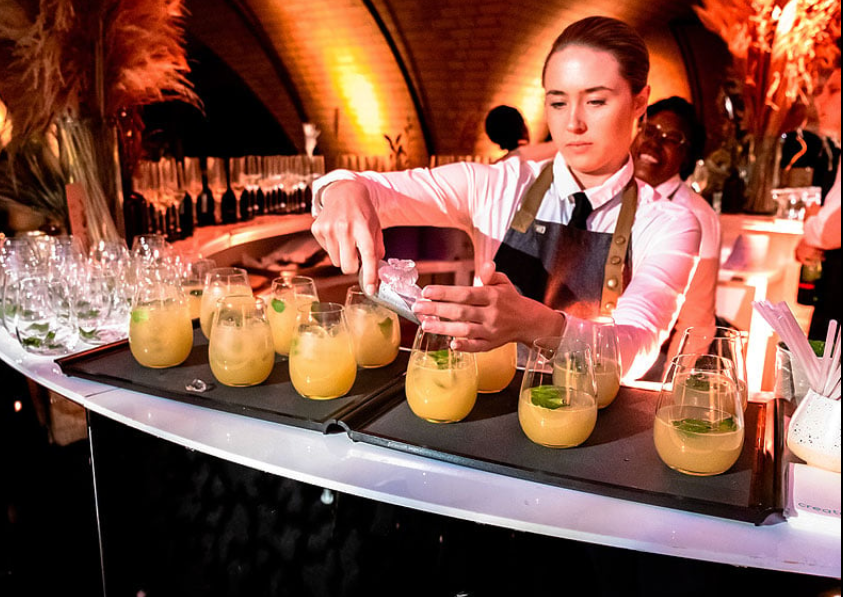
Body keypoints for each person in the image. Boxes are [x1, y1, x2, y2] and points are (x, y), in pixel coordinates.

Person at [310, 16, 702, 380]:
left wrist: (539, 326)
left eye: (596, 101)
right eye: (558, 102)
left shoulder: (669, 223)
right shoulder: (498, 184)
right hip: (483, 398)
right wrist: (343, 190)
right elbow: (377, 190)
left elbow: (637, 345)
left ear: (639, 102)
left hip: (590, 415)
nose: (573, 123)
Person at [631, 97, 720, 361]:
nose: (654, 143)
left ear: (687, 155)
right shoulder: (606, 191)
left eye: (671, 138)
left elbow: (696, 323)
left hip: (651, 358)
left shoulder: (697, 215)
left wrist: (670, 390)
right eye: (649, 130)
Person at [795, 49, 841, 341]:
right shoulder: (836, 159)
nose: (819, 100)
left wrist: (813, 224)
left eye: (834, 91)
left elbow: (827, 231)